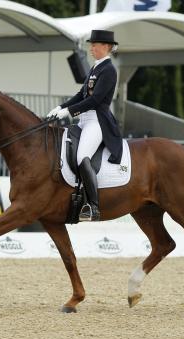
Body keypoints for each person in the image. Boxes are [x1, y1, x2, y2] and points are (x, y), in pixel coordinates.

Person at [47, 30, 123, 222]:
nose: (91, 48)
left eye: (95, 45)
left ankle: (94, 206)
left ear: (105, 47)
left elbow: (96, 100)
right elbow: (82, 95)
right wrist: (61, 107)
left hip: (98, 121)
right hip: (84, 120)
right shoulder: (95, 68)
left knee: (82, 156)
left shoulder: (109, 70)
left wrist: (70, 112)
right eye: (91, 45)